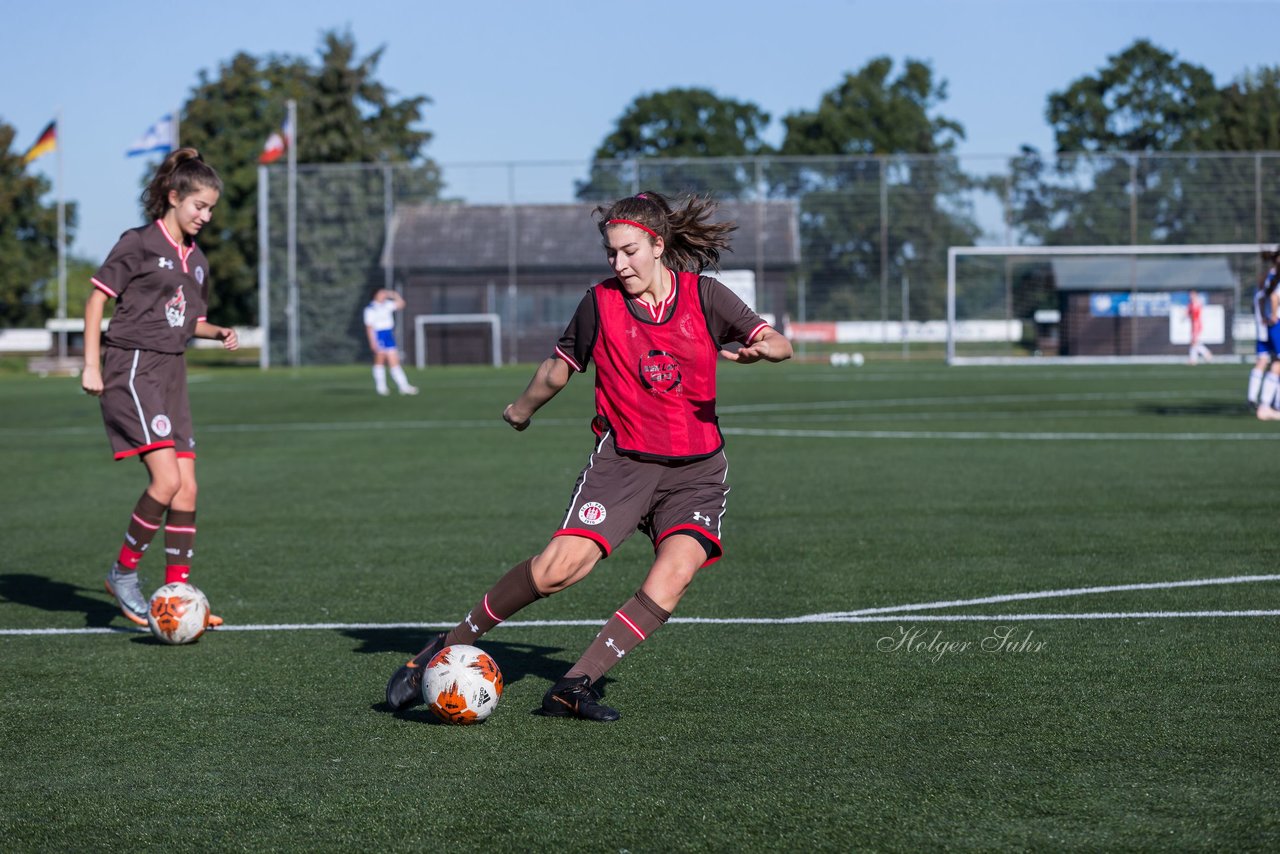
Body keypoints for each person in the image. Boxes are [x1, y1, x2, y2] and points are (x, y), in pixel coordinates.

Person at [384, 190, 793, 721]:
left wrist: (767, 349)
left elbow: (777, 340)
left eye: (629, 252)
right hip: (623, 463)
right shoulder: (599, 303)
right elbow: (559, 368)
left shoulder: (706, 296)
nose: (619, 264)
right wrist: (520, 409)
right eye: (611, 254)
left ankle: (572, 687)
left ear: (658, 244)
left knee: (675, 572)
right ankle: (438, 651)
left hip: (697, 471)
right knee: (559, 570)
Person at [81, 148, 238, 627]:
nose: (205, 216)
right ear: (174, 197)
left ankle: (179, 594)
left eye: (211, 209)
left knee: (187, 490)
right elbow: (95, 302)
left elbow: (192, 320)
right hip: (132, 368)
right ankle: (123, 573)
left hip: (173, 373)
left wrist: (218, 332)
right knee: (166, 481)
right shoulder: (139, 243)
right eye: (199, 206)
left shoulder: (197, 261)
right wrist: (91, 365)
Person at [363, 288, 418, 396]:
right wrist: (373, 342)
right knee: (380, 361)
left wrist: (394, 294)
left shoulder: (387, 304)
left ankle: (404, 386)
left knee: (394, 361)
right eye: (381, 293)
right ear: (375, 295)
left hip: (388, 334)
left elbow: (401, 304)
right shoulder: (371, 309)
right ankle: (381, 387)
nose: (384, 295)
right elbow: (369, 327)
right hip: (379, 335)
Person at [1250, 252, 1280, 417]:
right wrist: (1273, 315)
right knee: (1275, 364)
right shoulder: (1274, 277)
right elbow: (1274, 297)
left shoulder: (1270, 277)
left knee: (1275, 363)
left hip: (1273, 324)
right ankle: (1266, 406)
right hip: (1277, 324)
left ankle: (1272, 405)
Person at [1185, 290, 1213, 365]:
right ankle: (1196, 358)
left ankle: (1202, 355)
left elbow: (1195, 315)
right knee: (1194, 342)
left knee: (1194, 342)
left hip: (1196, 324)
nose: (1191, 297)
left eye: (1192, 295)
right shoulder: (1190, 304)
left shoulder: (1197, 304)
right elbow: (1187, 313)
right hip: (1193, 324)